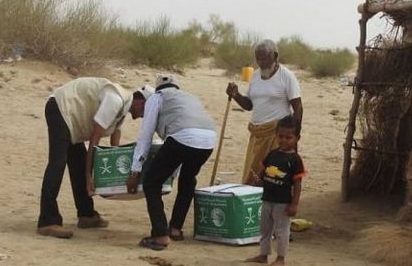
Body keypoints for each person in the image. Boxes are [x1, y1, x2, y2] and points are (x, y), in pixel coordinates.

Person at [37, 77, 152, 239]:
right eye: (147, 110)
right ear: (141, 102)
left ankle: (87, 215)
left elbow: (115, 135)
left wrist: (115, 174)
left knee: (79, 163)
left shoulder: (123, 106)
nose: (144, 116)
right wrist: (88, 176)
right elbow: (95, 138)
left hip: (73, 121)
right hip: (62, 108)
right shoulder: (115, 100)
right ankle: (47, 221)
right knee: (58, 163)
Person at [126, 74, 217, 250]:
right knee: (188, 179)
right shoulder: (189, 97)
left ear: (157, 88)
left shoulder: (156, 98)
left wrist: (135, 171)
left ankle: (160, 234)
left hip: (182, 137)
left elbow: (145, 136)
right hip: (208, 140)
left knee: (152, 183)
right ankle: (175, 228)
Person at [226, 39, 303, 184]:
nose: (261, 62)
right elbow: (249, 105)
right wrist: (235, 94)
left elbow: (298, 107)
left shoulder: (287, 77)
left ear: (275, 55)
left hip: (276, 134)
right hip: (257, 134)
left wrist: (294, 134)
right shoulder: (255, 76)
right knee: (253, 176)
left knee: (273, 176)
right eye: (258, 59)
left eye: (265, 58)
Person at [245, 115, 306, 266]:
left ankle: (280, 258)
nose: (284, 140)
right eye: (280, 136)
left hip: (282, 202)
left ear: (297, 138)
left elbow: (297, 184)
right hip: (267, 199)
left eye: (288, 137)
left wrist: (294, 204)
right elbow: (263, 175)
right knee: (265, 229)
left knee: (281, 231)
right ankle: (263, 255)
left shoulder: (295, 160)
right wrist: (257, 181)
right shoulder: (272, 154)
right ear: (276, 135)